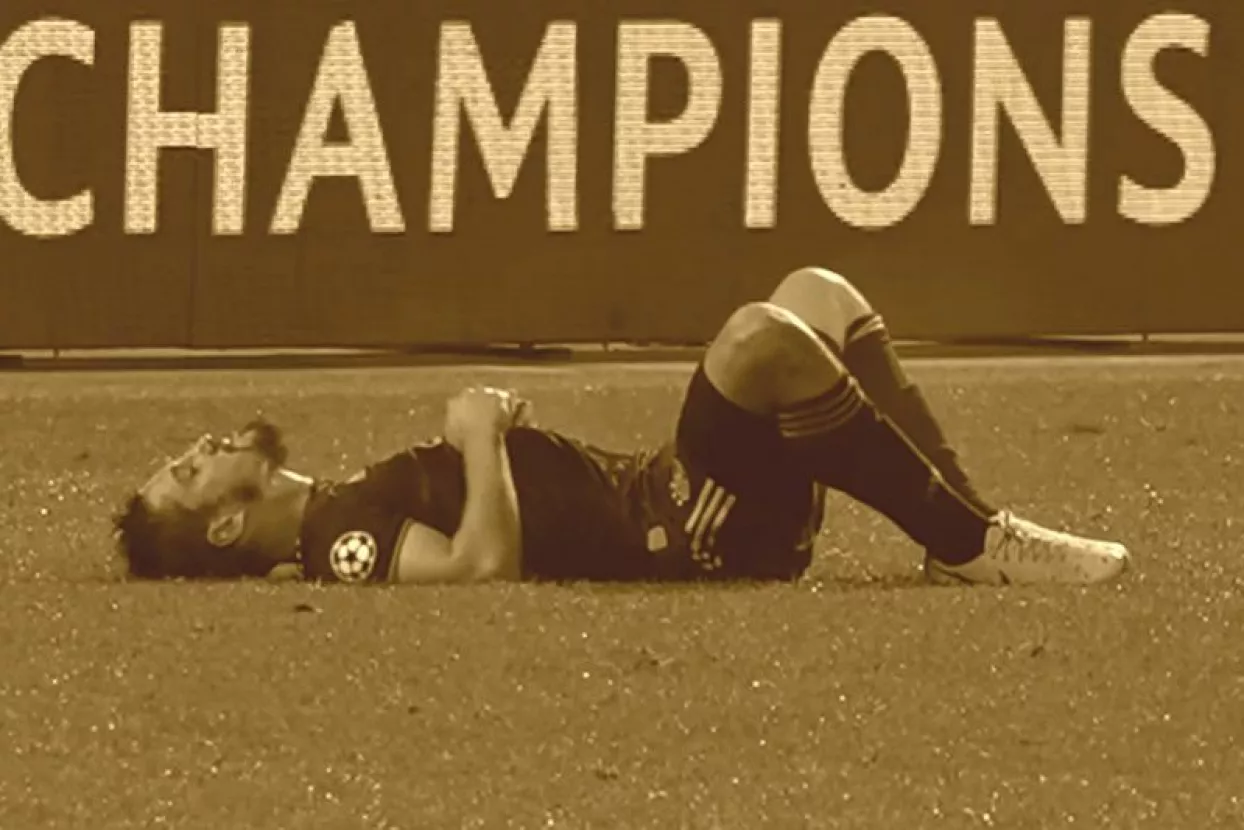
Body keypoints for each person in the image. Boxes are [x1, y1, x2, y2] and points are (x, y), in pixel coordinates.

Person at [113, 267, 1130, 587]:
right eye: (186, 475)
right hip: (683, 529)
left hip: (670, 489)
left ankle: (966, 532)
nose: (199, 450)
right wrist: (479, 436)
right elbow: (478, 570)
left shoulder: (340, 499)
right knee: (757, 337)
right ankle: (968, 544)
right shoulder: (337, 540)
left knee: (815, 293)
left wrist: (490, 444)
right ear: (224, 527)